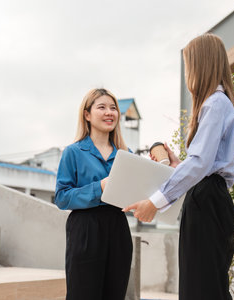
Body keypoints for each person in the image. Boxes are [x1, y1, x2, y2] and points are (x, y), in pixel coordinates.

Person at [123, 33, 234, 300]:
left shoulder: (214, 104)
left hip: (207, 201)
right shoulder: (221, 103)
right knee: (208, 285)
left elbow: (201, 164)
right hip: (211, 198)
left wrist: (155, 201)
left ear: (201, 65)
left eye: (190, 64)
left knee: (202, 288)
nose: (188, 72)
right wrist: (179, 165)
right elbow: (205, 164)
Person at [55, 88, 133, 300]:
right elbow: (62, 197)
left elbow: (133, 197)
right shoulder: (73, 152)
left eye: (113, 108)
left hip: (118, 228)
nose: (109, 112)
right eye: (102, 107)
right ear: (87, 115)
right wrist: (99, 187)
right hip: (85, 229)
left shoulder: (126, 155)